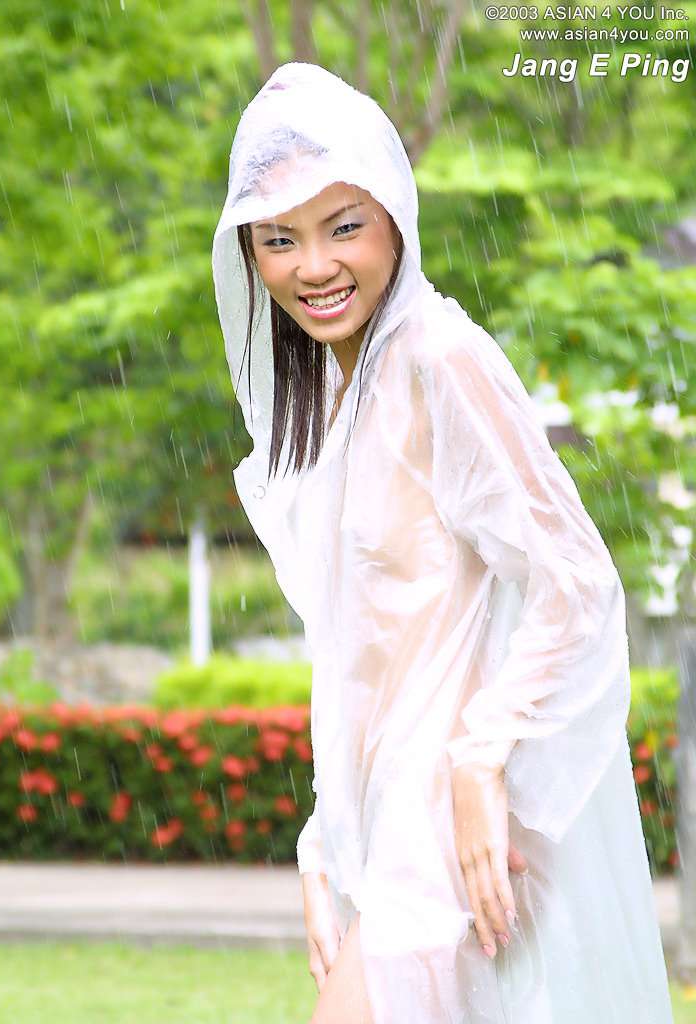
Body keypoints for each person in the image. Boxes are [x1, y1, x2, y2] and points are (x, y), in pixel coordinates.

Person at [211, 62, 674, 1024]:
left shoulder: (439, 357)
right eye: (280, 239)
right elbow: (368, 655)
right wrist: (319, 845)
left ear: (394, 215)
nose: (313, 266)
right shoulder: (340, 395)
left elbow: (575, 578)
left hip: (448, 843)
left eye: (344, 226)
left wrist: (480, 760)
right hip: (387, 836)